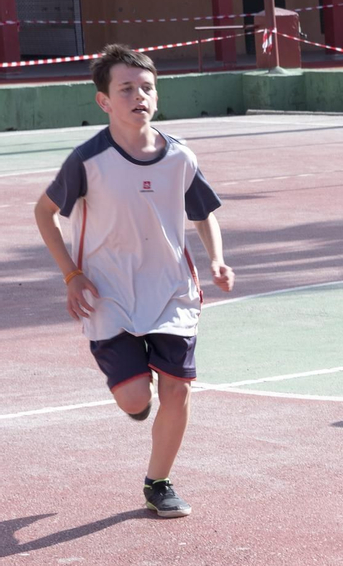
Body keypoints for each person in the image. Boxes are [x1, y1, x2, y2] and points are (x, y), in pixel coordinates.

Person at [31, 44, 234, 518]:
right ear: (104, 101)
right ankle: (135, 396)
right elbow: (44, 213)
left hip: (170, 290)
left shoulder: (180, 155)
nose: (138, 96)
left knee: (179, 388)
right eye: (126, 89)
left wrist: (218, 260)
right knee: (135, 397)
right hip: (108, 294)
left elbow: (203, 213)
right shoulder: (88, 159)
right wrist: (71, 274)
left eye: (146, 87)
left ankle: (158, 483)